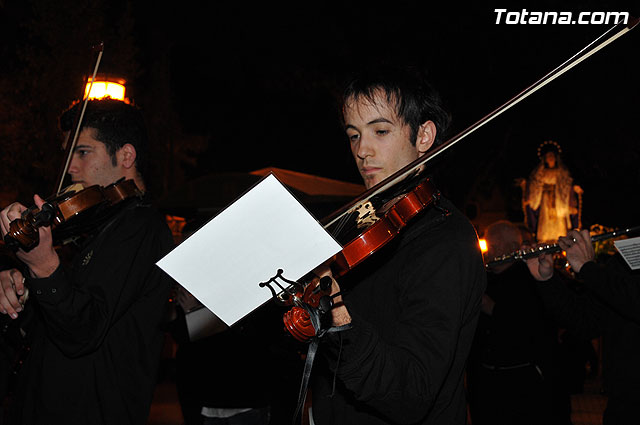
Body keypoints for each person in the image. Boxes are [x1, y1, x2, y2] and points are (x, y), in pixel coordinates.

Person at [309, 67, 486, 425]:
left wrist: (337, 312)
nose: (362, 150)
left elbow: (410, 393)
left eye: (380, 131)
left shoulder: (447, 239)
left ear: (424, 136)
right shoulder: (357, 224)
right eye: (354, 135)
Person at [0, 98, 174, 424]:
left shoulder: (141, 227)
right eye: (69, 154)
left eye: (82, 152)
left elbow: (83, 331)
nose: (71, 168)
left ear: (125, 155)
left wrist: (44, 267)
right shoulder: (88, 227)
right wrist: (17, 288)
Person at [526, 228, 640, 425]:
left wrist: (588, 267)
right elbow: (586, 321)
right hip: (622, 406)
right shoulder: (631, 254)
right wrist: (547, 280)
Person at [467, 220, 570, 425]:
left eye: (495, 247)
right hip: (488, 383)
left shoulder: (531, 278)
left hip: (525, 386)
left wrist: (492, 308)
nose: (489, 253)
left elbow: (534, 328)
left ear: (512, 248)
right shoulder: (484, 277)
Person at [520, 140, 583, 243]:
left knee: (559, 223)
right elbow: (534, 185)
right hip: (545, 201)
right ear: (544, 158)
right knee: (545, 222)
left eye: (552, 156)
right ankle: (545, 242)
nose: (550, 158)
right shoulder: (540, 172)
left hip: (559, 201)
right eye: (548, 156)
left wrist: (574, 188)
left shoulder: (562, 172)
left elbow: (567, 185)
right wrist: (527, 192)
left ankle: (560, 242)